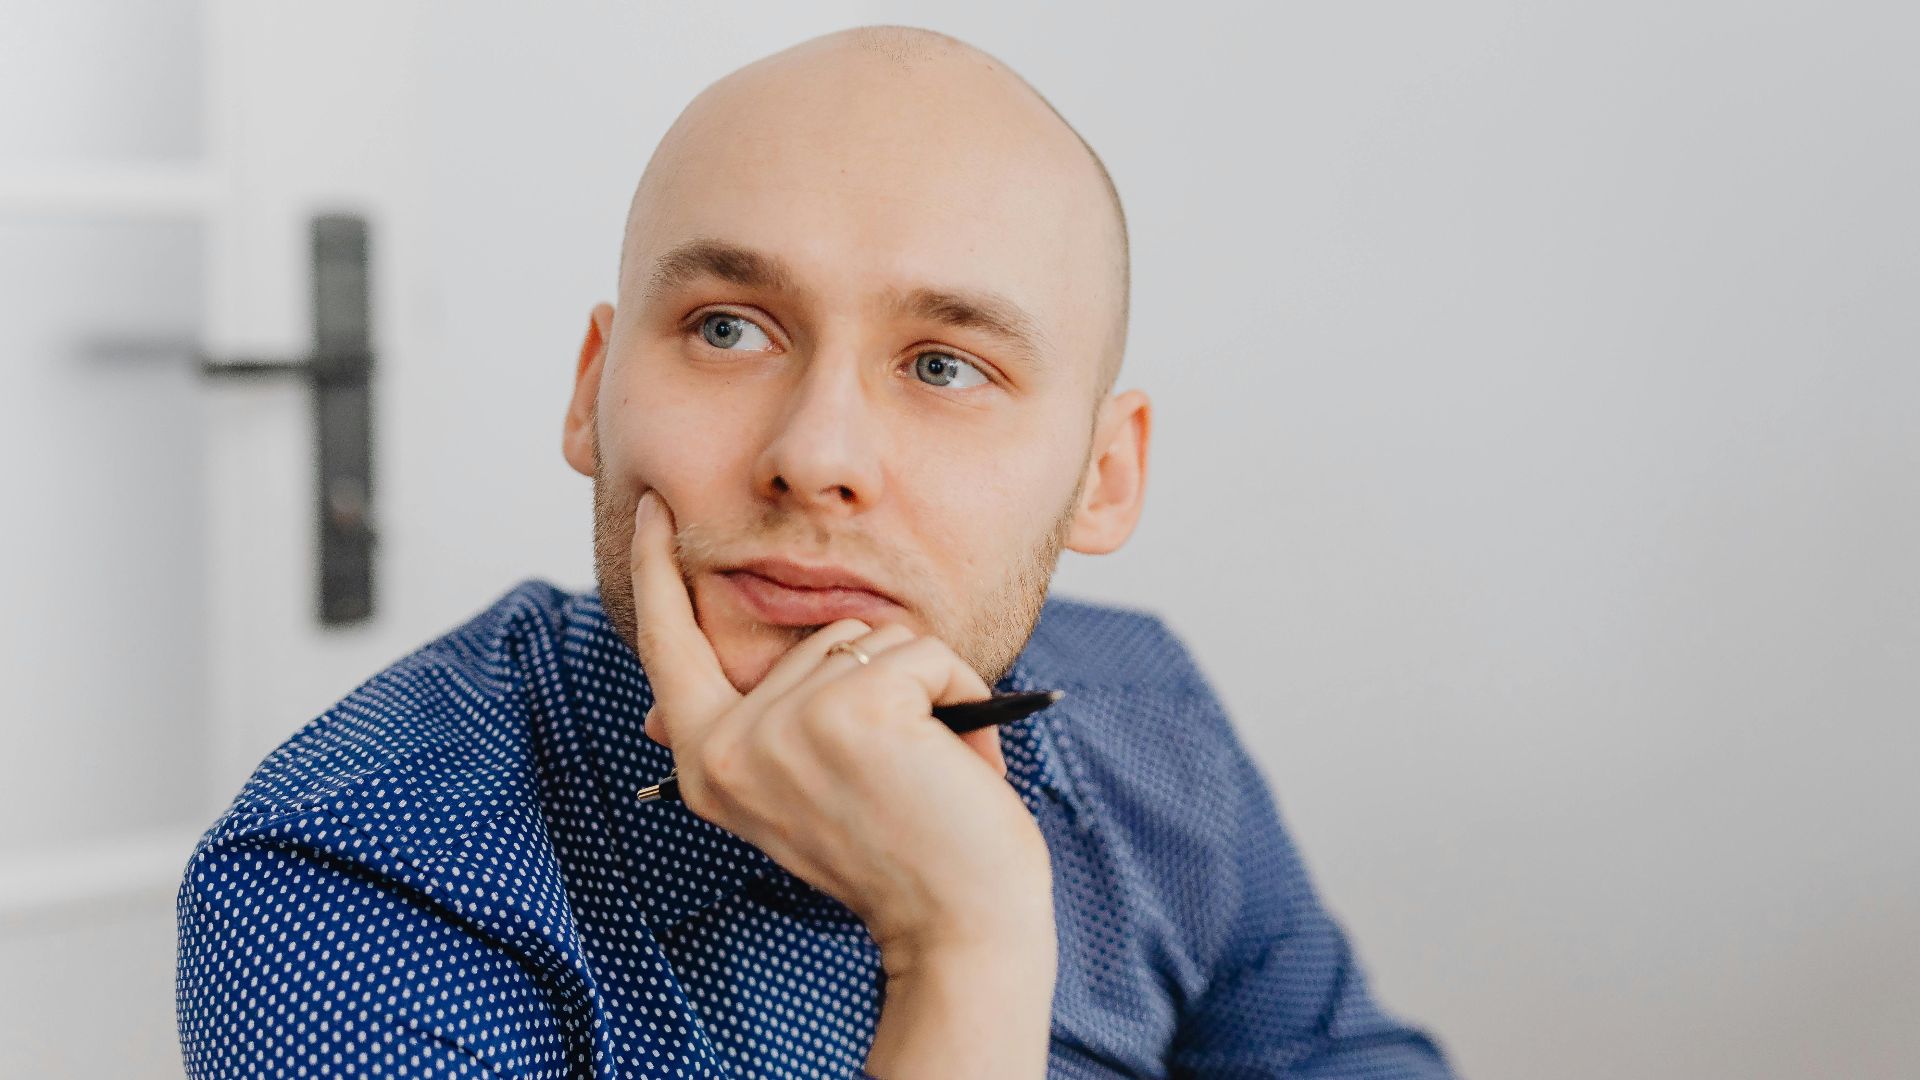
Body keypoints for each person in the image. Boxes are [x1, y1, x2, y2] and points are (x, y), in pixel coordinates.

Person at [176, 24, 1451, 1078]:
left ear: (1102, 479)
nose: (817, 454)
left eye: (946, 365)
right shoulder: (350, 883)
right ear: (591, 393)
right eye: (729, 329)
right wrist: (964, 953)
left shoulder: (1147, 710)